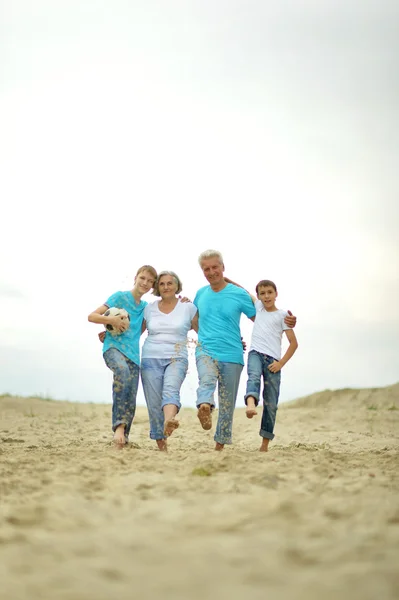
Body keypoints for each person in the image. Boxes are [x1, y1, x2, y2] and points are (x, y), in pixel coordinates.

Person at [194, 250, 296, 451]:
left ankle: (219, 446)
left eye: (215, 267)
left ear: (223, 267)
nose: (212, 272)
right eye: (207, 269)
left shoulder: (238, 294)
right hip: (205, 349)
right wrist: (203, 334)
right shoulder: (200, 294)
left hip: (232, 354)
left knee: (227, 403)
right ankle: (204, 405)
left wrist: (287, 322)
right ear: (202, 271)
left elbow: (263, 319)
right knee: (206, 379)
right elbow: (194, 319)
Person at [88, 265, 157, 447]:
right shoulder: (119, 296)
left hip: (133, 355)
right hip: (113, 349)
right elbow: (92, 316)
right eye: (143, 278)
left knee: (131, 394)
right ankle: (118, 427)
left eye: (150, 281)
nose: (145, 283)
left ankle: (124, 435)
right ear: (135, 277)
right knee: (122, 372)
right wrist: (110, 321)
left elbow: (137, 331)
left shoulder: (145, 308)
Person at [140, 271, 198, 451]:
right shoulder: (149, 308)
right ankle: (161, 445)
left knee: (171, 390)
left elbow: (204, 332)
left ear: (176, 286)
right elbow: (135, 333)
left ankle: (169, 420)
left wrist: (233, 341)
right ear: (157, 287)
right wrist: (111, 335)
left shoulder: (188, 307)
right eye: (162, 284)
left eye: (169, 283)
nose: (166, 287)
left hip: (177, 357)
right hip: (150, 357)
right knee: (154, 403)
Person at [244, 279, 298, 452]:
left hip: (273, 361)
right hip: (255, 353)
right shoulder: (258, 307)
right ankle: (251, 404)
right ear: (259, 297)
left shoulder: (283, 316)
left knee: (271, 401)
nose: (266, 296)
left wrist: (280, 363)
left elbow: (293, 343)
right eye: (262, 293)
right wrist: (225, 279)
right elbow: (242, 290)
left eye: (269, 292)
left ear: (276, 294)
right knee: (252, 376)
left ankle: (264, 444)